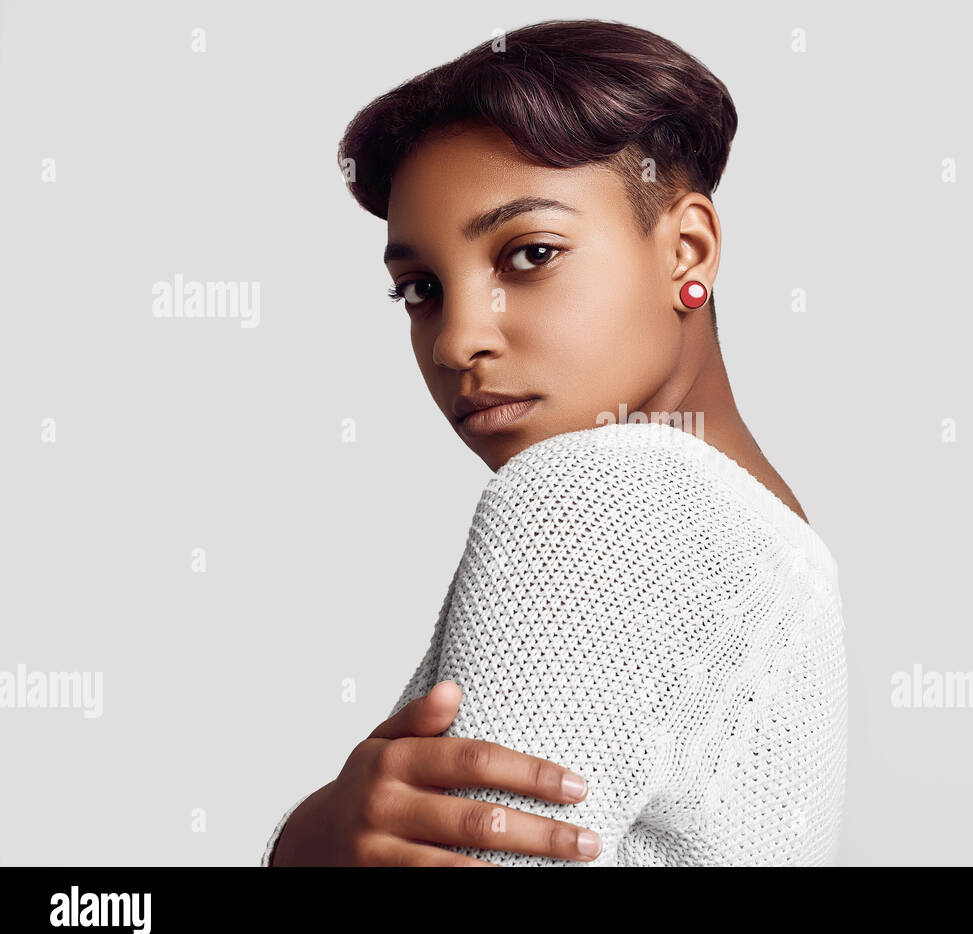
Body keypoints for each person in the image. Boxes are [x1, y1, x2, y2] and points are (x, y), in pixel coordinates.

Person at [264, 17, 847, 866]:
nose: (458, 339)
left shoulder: (597, 493)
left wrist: (300, 850)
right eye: (419, 288)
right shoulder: (779, 542)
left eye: (529, 254)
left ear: (688, 248)